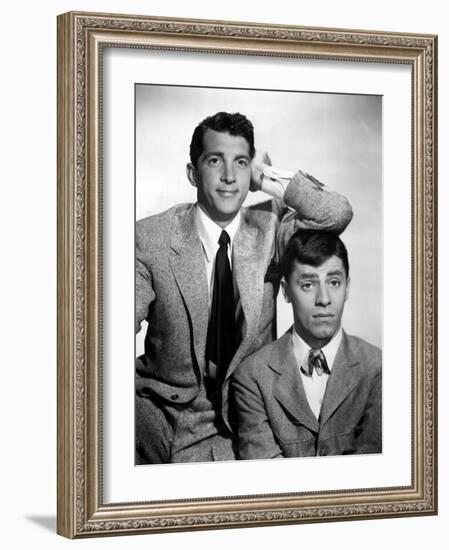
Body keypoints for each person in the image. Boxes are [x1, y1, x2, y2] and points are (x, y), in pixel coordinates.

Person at [135, 112, 353, 464]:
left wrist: (265, 176)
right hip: (158, 417)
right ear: (193, 173)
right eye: (214, 161)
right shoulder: (150, 238)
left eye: (240, 163)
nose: (228, 176)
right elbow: (105, 337)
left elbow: (336, 213)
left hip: (242, 421)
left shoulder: (270, 228)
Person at [232, 229, 382, 459]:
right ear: (285, 291)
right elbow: (263, 481)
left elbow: (377, 474)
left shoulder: (378, 368)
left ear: (348, 287)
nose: (324, 299)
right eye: (308, 285)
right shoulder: (251, 376)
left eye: (334, 282)